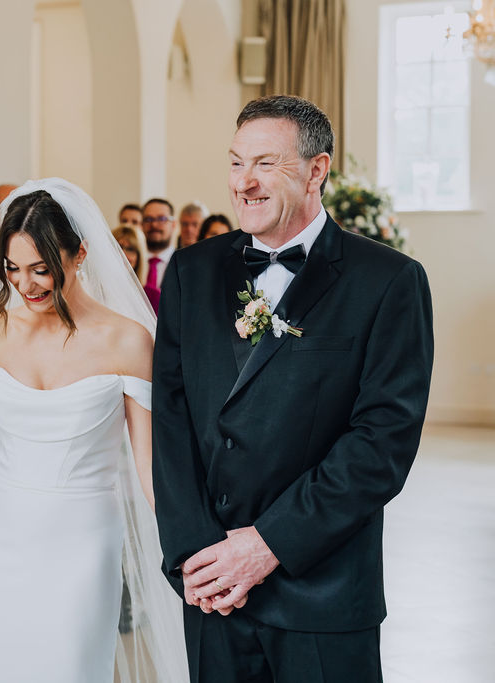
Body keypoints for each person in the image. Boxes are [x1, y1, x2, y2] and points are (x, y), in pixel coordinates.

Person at [153, 95, 434, 683]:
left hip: (322, 592)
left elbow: (381, 444)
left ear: (317, 170)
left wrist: (266, 546)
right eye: (235, 163)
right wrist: (194, 555)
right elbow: (171, 420)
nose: (244, 182)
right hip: (213, 589)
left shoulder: (389, 281)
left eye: (266, 164)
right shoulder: (191, 271)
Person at [0, 178, 187, 682]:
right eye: (13, 269)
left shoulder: (128, 341)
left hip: (83, 541)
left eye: (41, 269)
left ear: (80, 253)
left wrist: (190, 544)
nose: (26, 285)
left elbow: (151, 464)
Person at [140, 197, 177, 313]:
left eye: (162, 219)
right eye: (148, 219)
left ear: (173, 224)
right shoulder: (129, 262)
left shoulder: (185, 263)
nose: (154, 225)